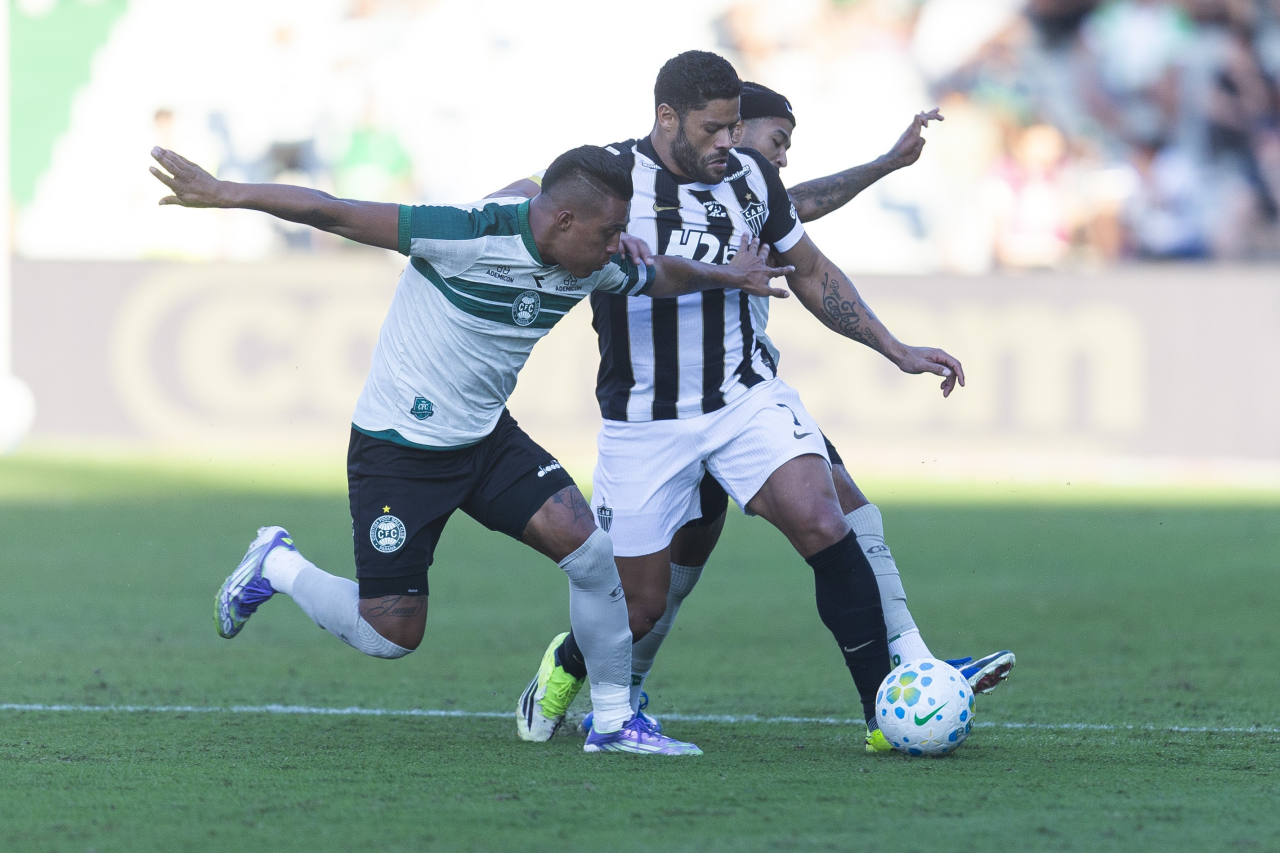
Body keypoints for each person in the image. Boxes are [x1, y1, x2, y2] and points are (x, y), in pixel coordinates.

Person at [148, 142, 793, 755]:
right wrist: (224, 193)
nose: (615, 246)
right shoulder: (466, 232)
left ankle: (614, 722)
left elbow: (658, 274)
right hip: (399, 450)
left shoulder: (596, 261)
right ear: (563, 220)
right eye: (607, 232)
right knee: (389, 635)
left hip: (486, 441)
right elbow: (334, 211)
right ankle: (278, 566)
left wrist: (730, 275)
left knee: (594, 556)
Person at [514, 51, 968, 754]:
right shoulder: (613, 179)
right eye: (714, 129)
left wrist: (895, 348)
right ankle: (568, 662)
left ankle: (883, 715)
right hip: (645, 420)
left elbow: (808, 269)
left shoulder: (751, 177)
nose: (729, 141)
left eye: (734, 127)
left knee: (824, 520)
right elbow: (537, 215)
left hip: (744, 397)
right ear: (668, 118)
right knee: (640, 605)